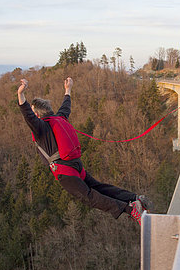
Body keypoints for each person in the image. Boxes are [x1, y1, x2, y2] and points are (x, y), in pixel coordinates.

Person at [17, 77, 153, 225]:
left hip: (65, 171)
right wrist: (68, 90)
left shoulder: (40, 128)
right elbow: (65, 106)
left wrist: (21, 94)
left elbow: (27, 115)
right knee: (98, 187)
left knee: (89, 197)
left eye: (33, 112)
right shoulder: (59, 118)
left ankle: (130, 209)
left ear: (37, 115)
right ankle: (134, 198)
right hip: (75, 165)